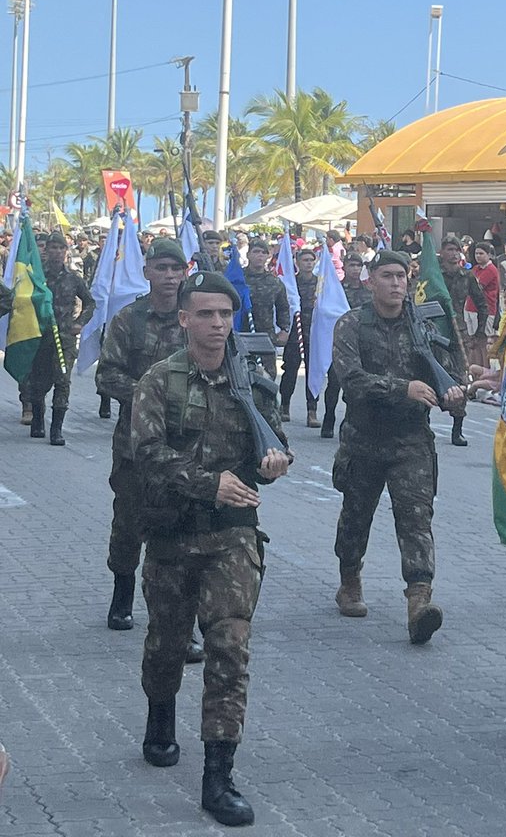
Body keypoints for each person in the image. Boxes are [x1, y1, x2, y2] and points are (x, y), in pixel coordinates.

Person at [132, 270, 291, 826]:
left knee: (229, 647)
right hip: (173, 534)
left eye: (225, 314)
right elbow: (146, 453)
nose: (218, 324)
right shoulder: (159, 381)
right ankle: (159, 716)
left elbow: (275, 443)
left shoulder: (251, 380)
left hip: (232, 533)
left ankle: (218, 777)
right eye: (205, 314)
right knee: (166, 644)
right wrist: (207, 481)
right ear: (184, 319)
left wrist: (274, 465)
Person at [330, 250, 465, 642]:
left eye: (401, 276)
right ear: (371, 281)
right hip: (363, 439)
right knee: (356, 517)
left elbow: (450, 371)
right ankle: (350, 578)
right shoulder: (352, 324)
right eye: (387, 276)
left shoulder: (423, 324)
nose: (395, 284)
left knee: (416, 519)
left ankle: (419, 600)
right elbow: (350, 378)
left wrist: (455, 395)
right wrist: (401, 389)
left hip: (411, 441)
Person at [97, 238, 192, 636]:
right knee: (129, 525)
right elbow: (106, 376)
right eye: (162, 269)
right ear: (147, 272)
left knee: (186, 529)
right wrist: (151, 395)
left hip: (188, 443)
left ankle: (180, 616)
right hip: (136, 444)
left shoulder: (196, 316)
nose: (170, 277)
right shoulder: (129, 319)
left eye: (176, 269)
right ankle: (122, 594)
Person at [29, 232, 95, 447]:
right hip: (41, 336)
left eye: (61, 248)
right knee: (38, 382)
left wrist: (79, 323)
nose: (57, 252)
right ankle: (38, 419)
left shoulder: (74, 278)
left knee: (63, 381)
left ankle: (56, 429)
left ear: (66, 251)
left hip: (64, 338)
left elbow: (90, 303)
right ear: (46, 250)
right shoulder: (37, 277)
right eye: (53, 247)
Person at [439, 237, 487, 447]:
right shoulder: (433, 276)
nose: (454, 253)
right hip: (432, 330)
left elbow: (482, 303)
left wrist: (479, 332)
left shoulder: (467, 277)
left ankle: (457, 428)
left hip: (457, 333)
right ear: (442, 252)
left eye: (457, 250)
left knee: (460, 380)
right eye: (450, 249)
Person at [320, 252, 369, 439]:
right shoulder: (336, 291)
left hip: (361, 344)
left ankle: (349, 421)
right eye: (352, 265)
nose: (355, 269)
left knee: (356, 385)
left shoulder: (367, 293)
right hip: (339, 343)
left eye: (358, 266)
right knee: (334, 383)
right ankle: (329, 417)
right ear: (344, 267)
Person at [279, 248, 318, 425]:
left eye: (311, 260)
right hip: (296, 332)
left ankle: (312, 411)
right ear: (297, 262)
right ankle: (285, 405)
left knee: (313, 372)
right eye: (305, 260)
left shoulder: (321, 283)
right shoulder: (291, 284)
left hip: (315, 333)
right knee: (290, 370)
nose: (308, 263)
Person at [241, 240, 290, 378]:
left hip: (265, 336)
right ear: (248, 254)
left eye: (264, 253)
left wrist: (284, 329)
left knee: (267, 378)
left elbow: (283, 308)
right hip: (241, 333)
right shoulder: (238, 279)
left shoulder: (274, 282)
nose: (260, 256)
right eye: (256, 252)